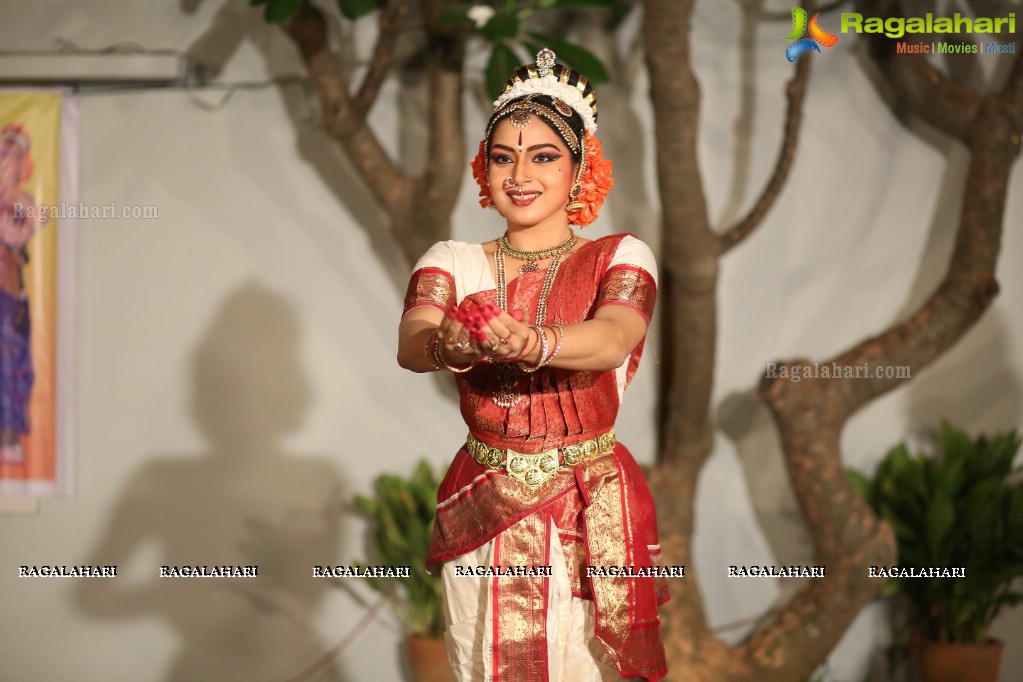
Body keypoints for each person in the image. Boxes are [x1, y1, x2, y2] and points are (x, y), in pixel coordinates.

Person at [397, 49, 668, 682]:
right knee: (480, 661)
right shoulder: (452, 258)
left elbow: (612, 339)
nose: (520, 173)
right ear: (484, 169)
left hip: (590, 506)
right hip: (486, 503)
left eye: (544, 156)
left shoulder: (619, 255)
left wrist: (529, 342)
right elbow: (414, 342)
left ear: (580, 171)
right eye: (503, 156)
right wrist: (455, 347)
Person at [0, 123, 41, 465]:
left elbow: (37, 221)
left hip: (9, 297)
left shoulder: (20, 203)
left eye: (10, 154)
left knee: (11, 363)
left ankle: (9, 436)